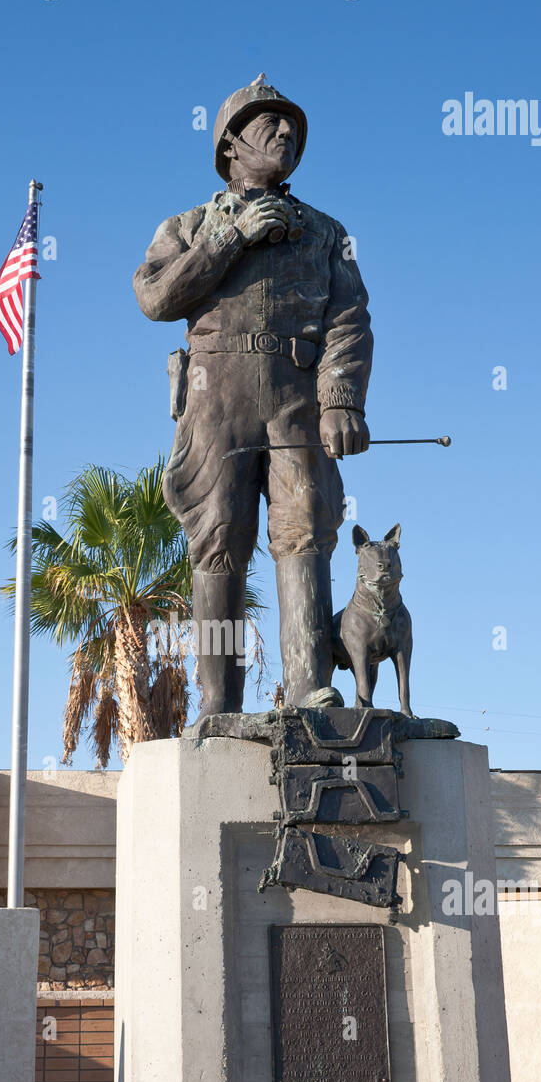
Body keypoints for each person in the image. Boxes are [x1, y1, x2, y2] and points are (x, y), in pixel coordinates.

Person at [134, 76, 373, 715]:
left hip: (297, 400)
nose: (286, 132)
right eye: (269, 122)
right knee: (219, 539)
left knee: (305, 532)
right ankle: (218, 703)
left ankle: (308, 691)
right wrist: (227, 239)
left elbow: (349, 316)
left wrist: (342, 398)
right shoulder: (187, 225)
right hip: (215, 403)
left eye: (293, 124)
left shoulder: (325, 232)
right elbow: (155, 296)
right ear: (230, 144)